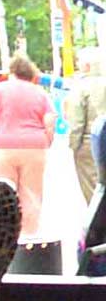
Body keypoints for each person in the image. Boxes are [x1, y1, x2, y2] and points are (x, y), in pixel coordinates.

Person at [0, 53, 55, 237]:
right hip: (34, 146)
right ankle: (29, 236)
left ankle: (5, 236)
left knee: (3, 192)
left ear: (12, 72)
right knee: (31, 193)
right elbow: (50, 121)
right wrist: (47, 141)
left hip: (2, 145)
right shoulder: (40, 92)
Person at [68, 47, 106, 204]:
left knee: (93, 188)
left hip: (89, 141)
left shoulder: (81, 87)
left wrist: (74, 145)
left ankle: (100, 223)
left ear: (87, 66)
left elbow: (77, 121)